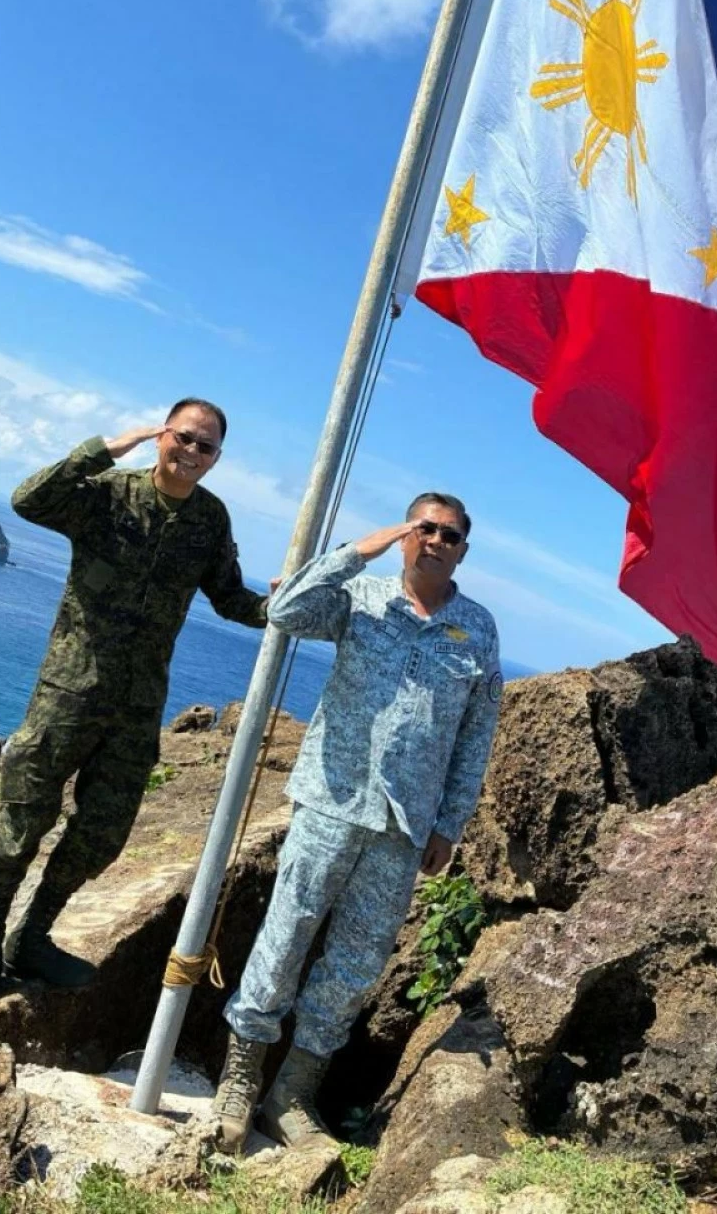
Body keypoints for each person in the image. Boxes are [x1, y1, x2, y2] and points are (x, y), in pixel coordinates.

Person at [0, 401, 269, 1010]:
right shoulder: (108, 495)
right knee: (22, 820)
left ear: (217, 458)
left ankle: (31, 939)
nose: (192, 453)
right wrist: (106, 447)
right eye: (184, 438)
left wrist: (285, 608)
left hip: (137, 705)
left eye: (206, 447)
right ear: (161, 436)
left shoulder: (209, 521)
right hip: (69, 690)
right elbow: (28, 500)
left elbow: (229, 598)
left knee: (101, 833)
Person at [212, 493, 502, 1151]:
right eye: (423, 528)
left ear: (463, 549)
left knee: (357, 962)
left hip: (405, 826)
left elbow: (476, 732)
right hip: (332, 800)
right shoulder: (362, 597)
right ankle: (240, 1079)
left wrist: (450, 823)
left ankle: (292, 1095)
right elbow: (283, 613)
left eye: (449, 534)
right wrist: (355, 551)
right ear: (405, 534)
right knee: (286, 935)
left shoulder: (478, 630)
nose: (434, 540)